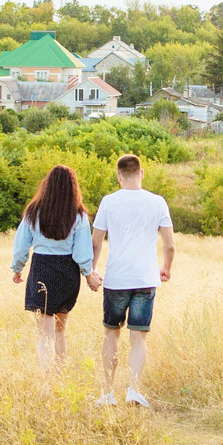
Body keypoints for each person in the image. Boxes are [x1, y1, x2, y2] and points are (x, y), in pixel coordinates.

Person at [89, 152, 174, 408]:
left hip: (116, 279)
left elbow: (96, 241)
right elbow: (169, 244)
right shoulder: (157, 202)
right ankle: (133, 390)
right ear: (142, 173)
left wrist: (92, 271)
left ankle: (107, 393)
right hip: (145, 279)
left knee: (111, 334)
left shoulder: (108, 202)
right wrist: (166, 268)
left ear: (119, 176)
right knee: (139, 337)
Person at [10, 164, 98, 367]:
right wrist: (88, 275)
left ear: (47, 185)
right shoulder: (79, 215)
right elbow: (82, 252)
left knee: (45, 335)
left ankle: (47, 382)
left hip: (41, 268)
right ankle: (58, 376)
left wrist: (17, 268)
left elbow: (21, 246)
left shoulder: (33, 212)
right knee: (60, 331)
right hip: (68, 272)